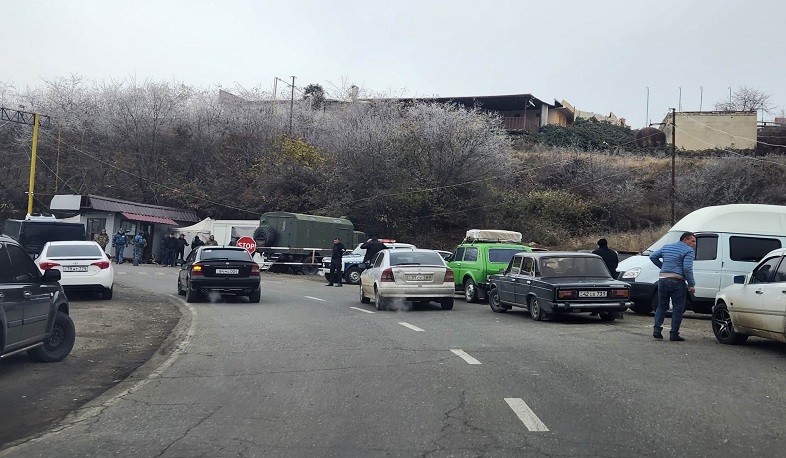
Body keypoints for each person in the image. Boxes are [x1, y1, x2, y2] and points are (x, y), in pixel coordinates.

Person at [649, 231, 697, 342]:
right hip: (677, 281)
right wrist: (691, 284)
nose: (694, 244)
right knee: (678, 308)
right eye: (693, 241)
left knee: (662, 305)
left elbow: (653, 256)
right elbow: (687, 268)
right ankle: (674, 333)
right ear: (685, 240)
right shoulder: (688, 251)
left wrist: (663, 267)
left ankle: (657, 329)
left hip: (662, 280)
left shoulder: (667, 247)